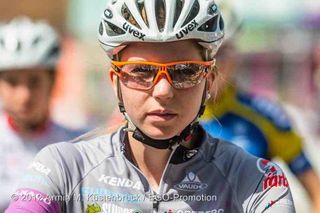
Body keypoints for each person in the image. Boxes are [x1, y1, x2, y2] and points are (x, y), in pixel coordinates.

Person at [6, 1, 295, 212]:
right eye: (142, 72)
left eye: (185, 71)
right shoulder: (64, 167)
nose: (163, 90)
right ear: (115, 80)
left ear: (209, 81)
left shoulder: (256, 180)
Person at [201, 40, 320, 212]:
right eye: (206, 53)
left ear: (233, 58)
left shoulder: (265, 114)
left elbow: (315, 189)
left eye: (221, 53)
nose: (214, 63)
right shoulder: (164, 114)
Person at [0, 17, 86, 210]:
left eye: (34, 82)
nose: (24, 95)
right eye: (12, 82)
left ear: (53, 81)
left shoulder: (78, 145)